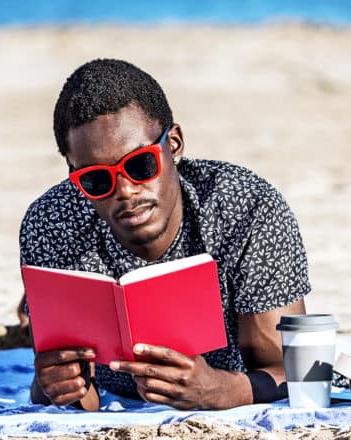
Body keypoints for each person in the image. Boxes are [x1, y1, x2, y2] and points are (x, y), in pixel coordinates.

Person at [18, 59, 309, 411]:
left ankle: (24, 314)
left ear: (173, 144)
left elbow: (297, 372)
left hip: (226, 379)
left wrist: (219, 390)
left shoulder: (247, 208)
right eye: (96, 180)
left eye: (140, 165)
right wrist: (56, 385)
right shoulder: (53, 221)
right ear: (73, 174)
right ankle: (25, 315)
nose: (124, 191)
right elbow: (74, 399)